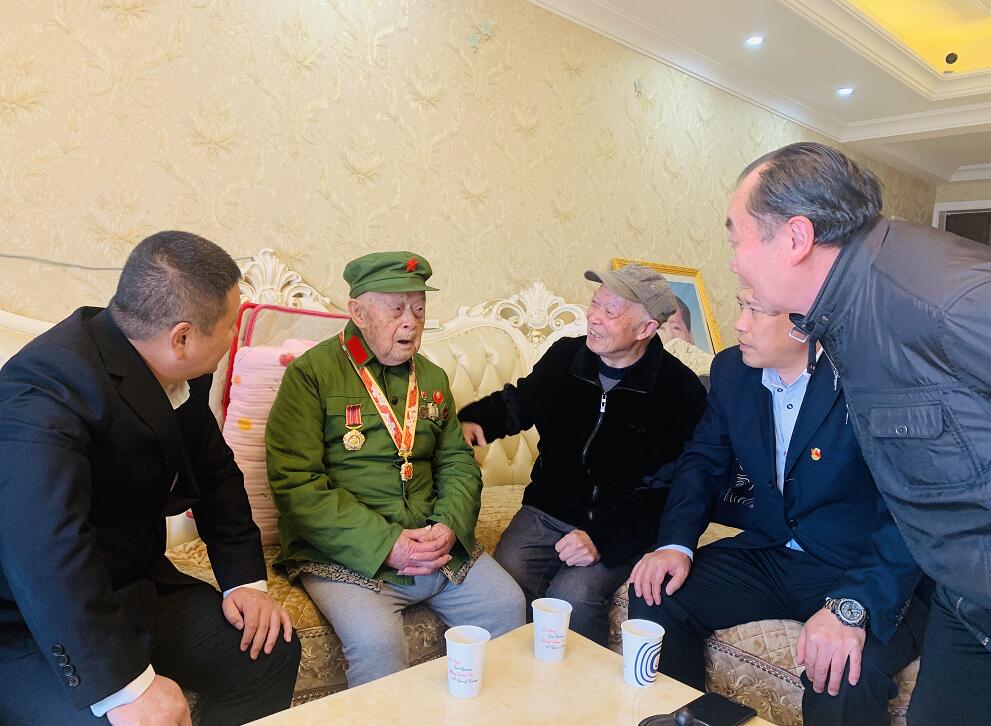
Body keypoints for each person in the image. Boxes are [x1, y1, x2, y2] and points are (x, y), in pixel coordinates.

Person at [726, 141, 991, 725]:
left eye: (736, 237)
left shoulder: (944, 297)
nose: (734, 263)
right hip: (964, 597)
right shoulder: (845, 314)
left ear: (795, 237)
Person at [0, 231, 300, 726]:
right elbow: (44, 552)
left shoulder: (175, 364)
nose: (234, 336)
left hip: (132, 584)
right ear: (182, 337)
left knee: (268, 651)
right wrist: (123, 686)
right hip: (31, 619)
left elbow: (216, 473)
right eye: (230, 325)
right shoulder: (44, 392)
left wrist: (244, 583)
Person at [628, 287, 924, 725]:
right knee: (655, 594)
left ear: (806, 325)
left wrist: (853, 605)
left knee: (841, 672)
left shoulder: (874, 382)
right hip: (772, 550)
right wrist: (675, 545)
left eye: (756, 311)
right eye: (740, 305)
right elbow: (703, 462)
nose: (739, 324)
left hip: (859, 564)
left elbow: (909, 508)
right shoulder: (732, 370)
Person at [265, 251, 524, 687]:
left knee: (505, 605)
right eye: (397, 309)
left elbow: (457, 461)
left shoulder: (432, 378)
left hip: (431, 541)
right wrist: (386, 544)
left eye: (419, 309)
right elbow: (297, 484)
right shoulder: (311, 375)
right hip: (347, 552)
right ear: (359, 313)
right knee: (377, 642)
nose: (411, 323)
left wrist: (449, 524)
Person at [458, 264, 707, 645]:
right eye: (595, 304)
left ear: (645, 328)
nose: (594, 317)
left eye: (610, 311)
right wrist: (476, 421)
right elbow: (521, 403)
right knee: (507, 580)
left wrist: (603, 539)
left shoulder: (679, 390)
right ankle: (515, 671)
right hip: (548, 509)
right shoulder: (566, 357)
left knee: (573, 597)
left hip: (621, 522)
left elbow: (671, 489)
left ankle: (579, 681)